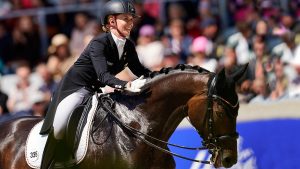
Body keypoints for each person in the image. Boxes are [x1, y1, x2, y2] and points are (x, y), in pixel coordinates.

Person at [39, 0, 151, 168]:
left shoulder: (128, 46)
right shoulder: (99, 43)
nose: (131, 23)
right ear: (112, 21)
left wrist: (164, 77)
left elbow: (141, 70)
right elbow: (103, 75)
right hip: (74, 89)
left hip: (95, 91)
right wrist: (126, 85)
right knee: (60, 126)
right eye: (126, 19)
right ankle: (47, 165)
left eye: (131, 19)